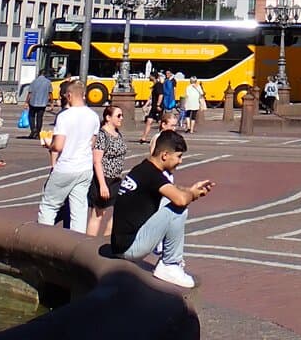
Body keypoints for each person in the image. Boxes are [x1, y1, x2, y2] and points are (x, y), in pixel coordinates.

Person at [111, 128, 214, 289]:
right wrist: (192, 195)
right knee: (179, 209)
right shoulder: (152, 175)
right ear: (165, 155)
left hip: (122, 244)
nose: (180, 161)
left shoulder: (143, 170)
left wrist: (191, 190)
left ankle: (169, 261)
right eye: (178, 157)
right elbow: (180, 200)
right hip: (130, 248)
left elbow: (171, 189)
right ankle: (170, 264)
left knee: (170, 200)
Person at [36, 80, 99, 233]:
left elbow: (58, 146)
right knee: (79, 209)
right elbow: (92, 142)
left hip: (66, 167)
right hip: (84, 167)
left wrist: (48, 144)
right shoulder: (94, 116)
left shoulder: (65, 116)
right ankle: (75, 244)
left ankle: (42, 239)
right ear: (84, 95)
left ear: (69, 95)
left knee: (49, 205)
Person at [86, 104, 127, 237]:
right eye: (118, 116)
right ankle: (89, 243)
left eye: (122, 115)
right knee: (98, 213)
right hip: (104, 178)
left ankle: (106, 241)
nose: (121, 118)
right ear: (108, 117)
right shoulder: (102, 135)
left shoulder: (117, 133)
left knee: (119, 212)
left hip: (116, 178)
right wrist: (102, 185)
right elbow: (97, 161)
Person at [24, 72, 53, 140]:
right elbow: (50, 93)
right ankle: (38, 132)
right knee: (40, 118)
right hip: (43, 103)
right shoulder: (48, 82)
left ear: (38, 74)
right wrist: (52, 103)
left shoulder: (34, 81)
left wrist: (26, 102)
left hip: (33, 102)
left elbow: (30, 93)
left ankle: (33, 130)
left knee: (31, 116)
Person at [139, 74, 163, 143]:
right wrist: (146, 105)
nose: (149, 77)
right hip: (153, 107)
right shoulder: (155, 85)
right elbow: (151, 98)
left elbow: (161, 95)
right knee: (149, 121)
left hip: (158, 107)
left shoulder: (159, 85)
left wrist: (158, 105)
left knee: (160, 123)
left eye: (150, 76)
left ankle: (162, 138)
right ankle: (144, 138)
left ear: (153, 77)